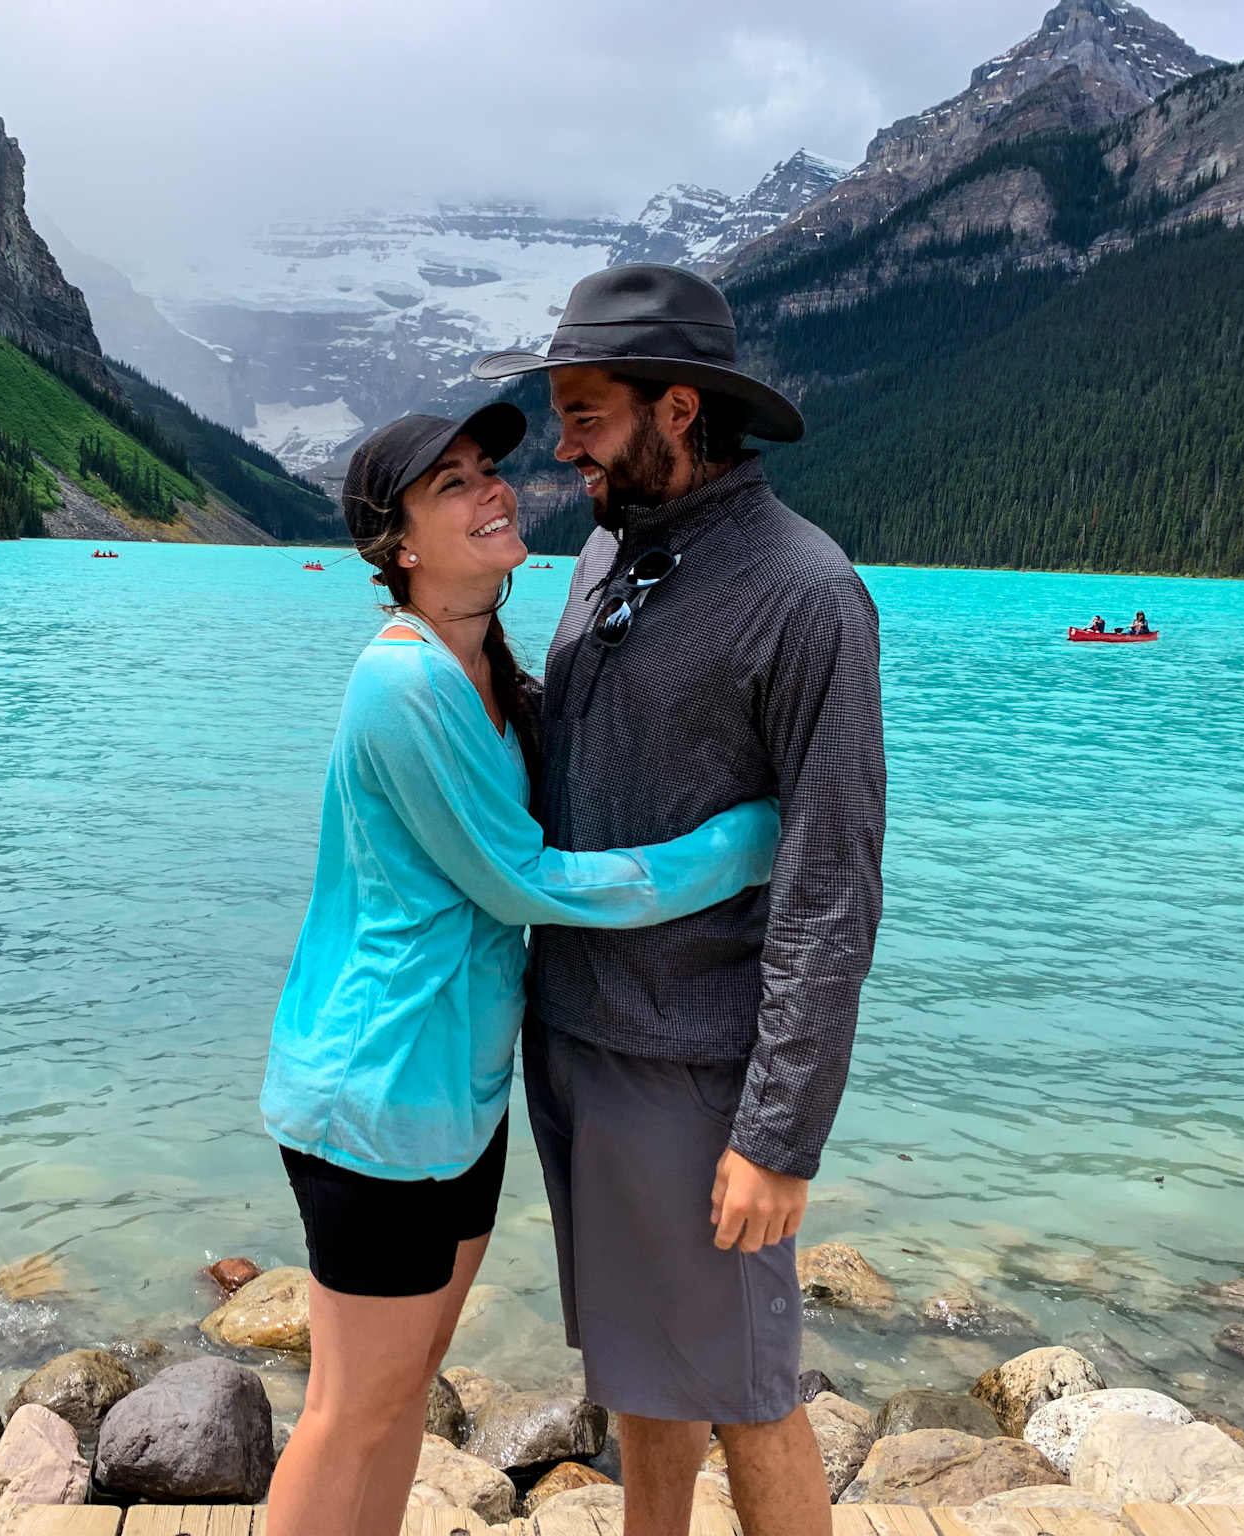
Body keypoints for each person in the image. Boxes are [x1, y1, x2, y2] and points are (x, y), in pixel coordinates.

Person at [260, 403, 782, 1536]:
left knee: (400, 1391)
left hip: (453, 1100)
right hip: (376, 1098)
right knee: (352, 1405)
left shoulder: (482, 667)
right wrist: (738, 844)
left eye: (488, 469)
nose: (493, 489)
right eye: (450, 484)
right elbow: (525, 883)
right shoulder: (402, 685)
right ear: (397, 546)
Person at [472, 264, 885, 1536]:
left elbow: (830, 883)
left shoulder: (806, 594)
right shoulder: (606, 548)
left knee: (750, 1390)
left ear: (681, 410)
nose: (561, 443)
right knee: (643, 1373)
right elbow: (589, 759)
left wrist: (778, 1134)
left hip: (699, 1068)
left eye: (586, 412)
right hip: (580, 1038)